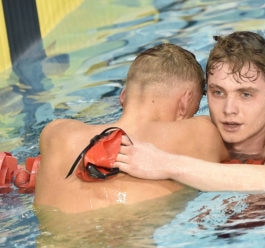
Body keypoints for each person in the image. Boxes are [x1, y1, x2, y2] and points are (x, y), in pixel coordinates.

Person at [115, 31, 265, 193]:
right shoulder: (206, 133)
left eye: (245, 94)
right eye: (218, 93)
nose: (229, 110)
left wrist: (166, 164)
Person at [34, 43, 229, 213]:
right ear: (184, 104)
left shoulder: (55, 135)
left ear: (123, 96)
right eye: (193, 111)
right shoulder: (202, 132)